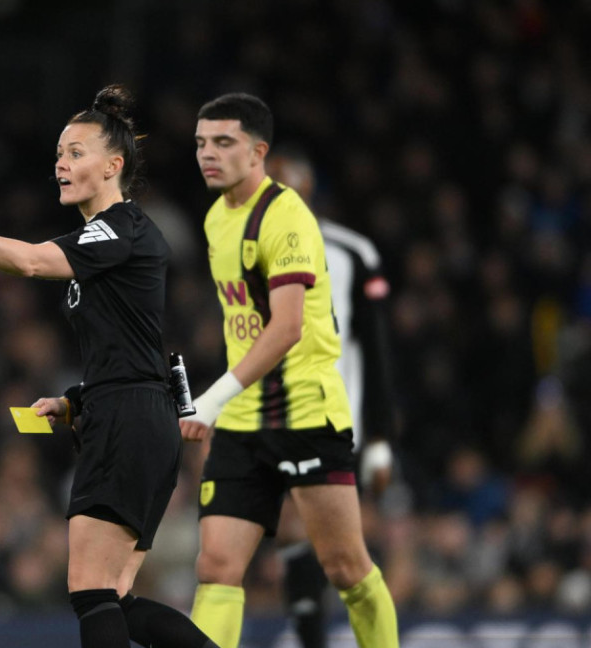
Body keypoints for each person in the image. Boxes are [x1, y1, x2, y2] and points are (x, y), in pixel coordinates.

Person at [0, 85, 215, 648]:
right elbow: (131, 346)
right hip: (132, 414)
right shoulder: (102, 240)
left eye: (76, 153)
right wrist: (74, 403)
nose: (61, 164)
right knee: (114, 597)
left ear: (114, 165)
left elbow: (29, 261)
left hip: (129, 421)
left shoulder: (123, 226)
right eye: (59, 154)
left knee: (91, 594)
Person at [183, 93, 399, 648]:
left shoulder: (288, 217)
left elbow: (286, 328)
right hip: (242, 421)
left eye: (224, 142)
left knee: (347, 568)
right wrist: (224, 402)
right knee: (217, 567)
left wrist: (210, 398)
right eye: (202, 142)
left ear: (258, 151)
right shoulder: (214, 219)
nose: (209, 154)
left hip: (306, 412)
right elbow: (242, 323)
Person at [266, 147, 401, 648]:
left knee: (343, 556)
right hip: (268, 420)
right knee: (292, 533)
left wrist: (382, 437)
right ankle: (309, 637)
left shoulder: (350, 253)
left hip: (333, 420)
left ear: (306, 190)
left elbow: (378, 351)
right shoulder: (244, 252)